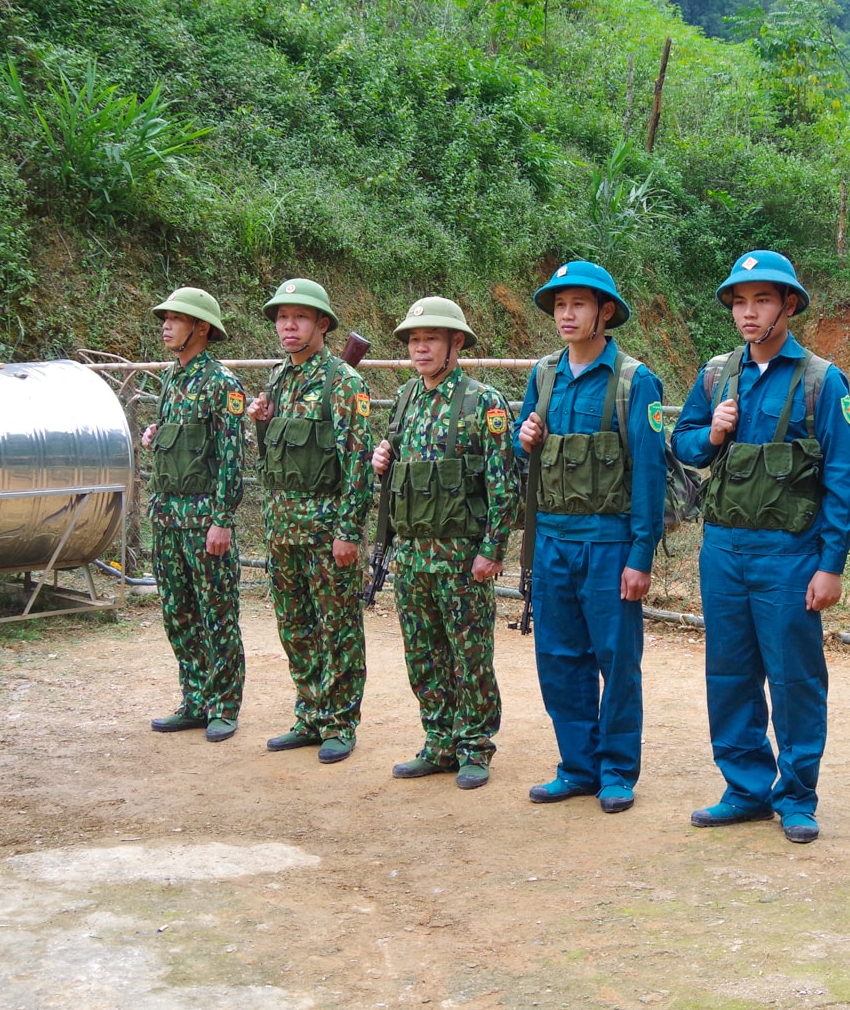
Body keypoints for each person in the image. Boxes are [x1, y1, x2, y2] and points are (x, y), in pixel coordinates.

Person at [670, 250, 850, 844]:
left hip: (791, 553)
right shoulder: (716, 375)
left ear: (788, 306)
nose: (748, 313)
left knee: (794, 676)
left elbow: (844, 479)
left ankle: (797, 795)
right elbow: (684, 444)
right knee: (728, 672)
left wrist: (831, 566)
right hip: (723, 548)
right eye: (740, 301)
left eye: (762, 300)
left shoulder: (820, 381)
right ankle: (744, 788)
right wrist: (713, 431)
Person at [513, 261, 667, 813]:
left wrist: (640, 556)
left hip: (608, 544)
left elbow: (651, 475)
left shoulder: (633, 381)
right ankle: (576, 767)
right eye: (559, 305)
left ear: (605, 312)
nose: (566, 314)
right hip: (552, 539)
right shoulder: (544, 375)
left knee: (616, 658)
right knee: (558, 655)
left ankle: (618, 771)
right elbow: (524, 448)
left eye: (578, 304)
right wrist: (523, 434)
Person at [371, 297, 518, 788]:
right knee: (423, 653)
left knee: (469, 654)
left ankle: (474, 746)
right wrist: (382, 460)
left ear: (457, 342)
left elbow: (503, 484)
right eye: (414, 339)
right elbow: (401, 474)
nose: (421, 347)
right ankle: (438, 741)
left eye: (431, 338)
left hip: (460, 558)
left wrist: (492, 550)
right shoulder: (407, 399)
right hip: (412, 555)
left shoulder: (483, 401)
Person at [245, 278, 373, 764]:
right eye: (281, 317)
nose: (288, 325)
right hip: (282, 530)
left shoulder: (344, 381)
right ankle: (310, 714)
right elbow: (272, 458)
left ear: (322, 324)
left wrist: (347, 531)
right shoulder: (278, 379)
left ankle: (340, 722)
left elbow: (357, 461)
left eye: (299, 317)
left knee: (337, 628)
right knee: (294, 626)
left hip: (324, 533)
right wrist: (260, 421)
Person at [142, 287, 246, 743]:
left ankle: (224, 705)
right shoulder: (171, 378)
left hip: (204, 519)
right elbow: (182, 439)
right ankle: (195, 698)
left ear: (201, 328)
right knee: (178, 611)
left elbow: (230, 457)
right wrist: (156, 434)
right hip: (167, 516)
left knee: (216, 613)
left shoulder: (222, 383)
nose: (166, 324)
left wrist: (222, 519)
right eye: (164, 318)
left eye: (176, 318)